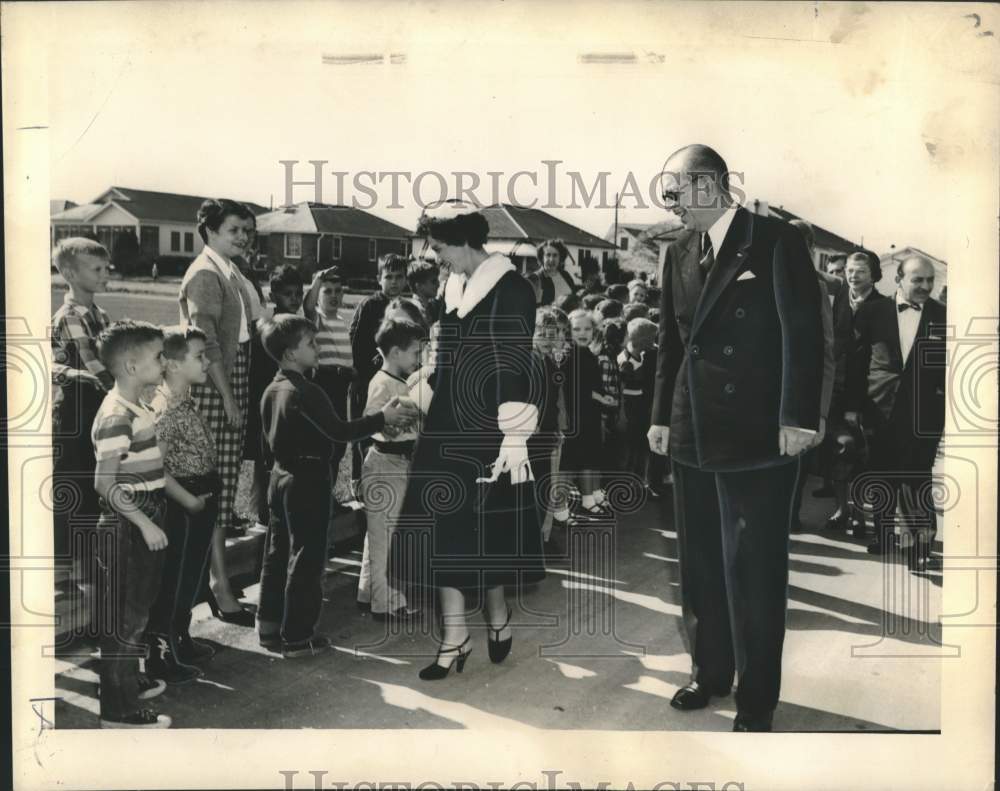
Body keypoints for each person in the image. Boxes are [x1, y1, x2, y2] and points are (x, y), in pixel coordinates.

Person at [648, 144, 823, 732]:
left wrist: (797, 419)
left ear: (708, 185)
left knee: (753, 570)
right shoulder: (677, 252)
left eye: (676, 192)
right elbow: (673, 344)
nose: (671, 205)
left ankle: (756, 700)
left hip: (757, 436)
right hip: (693, 431)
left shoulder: (774, 240)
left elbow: (805, 334)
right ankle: (710, 673)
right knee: (699, 564)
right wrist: (659, 417)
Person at [390, 201, 546, 681]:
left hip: (493, 428)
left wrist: (514, 435)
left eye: (439, 248)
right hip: (447, 424)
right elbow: (443, 355)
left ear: (463, 241)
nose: (437, 259)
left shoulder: (513, 288)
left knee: (486, 534)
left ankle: (497, 615)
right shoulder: (451, 285)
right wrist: (418, 392)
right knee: (445, 530)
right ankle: (454, 637)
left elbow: (514, 363)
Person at [256, 315, 418, 657]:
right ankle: (298, 635)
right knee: (307, 559)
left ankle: (268, 626)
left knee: (277, 553)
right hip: (308, 481)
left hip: (279, 478)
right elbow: (340, 431)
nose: (318, 349)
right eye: (310, 344)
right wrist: (382, 419)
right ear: (288, 353)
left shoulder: (271, 389)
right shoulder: (306, 391)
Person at [91, 321, 201, 727]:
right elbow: (104, 483)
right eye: (158, 357)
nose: (164, 362)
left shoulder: (135, 404)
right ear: (132, 366)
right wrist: (144, 524)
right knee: (125, 619)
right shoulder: (116, 415)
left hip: (144, 513)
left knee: (136, 611)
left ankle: (126, 683)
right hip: (128, 521)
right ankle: (118, 711)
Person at [178, 198, 258, 626]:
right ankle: (218, 588)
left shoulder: (230, 271)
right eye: (234, 230)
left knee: (221, 493)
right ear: (209, 231)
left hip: (232, 381)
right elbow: (206, 345)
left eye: (247, 230)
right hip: (214, 388)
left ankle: (214, 583)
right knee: (213, 492)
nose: (243, 237)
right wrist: (228, 398)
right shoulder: (206, 274)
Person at [846, 255, 946, 572]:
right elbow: (856, 363)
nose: (926, 286)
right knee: (882, 472)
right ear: (899, 280)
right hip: (879, 407)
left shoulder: (943, 316)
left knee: (917, 478)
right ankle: (886, 535)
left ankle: (920, 546)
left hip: (924, 412)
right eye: (918, 280)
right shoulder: (873, 311)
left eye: (930, 280)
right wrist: (851, 408)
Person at [145, 327, 219, 683]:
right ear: (173, 365)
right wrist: (189, 501)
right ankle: (161, 655)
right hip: (182, 502)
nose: (207, 362)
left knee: (191, 574)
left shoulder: (184, 398)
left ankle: (180, 637)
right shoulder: (166, 407)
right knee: (173, 579)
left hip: (200, 497)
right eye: (199, 356)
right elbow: (155, 467)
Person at [50, 239, 114, 607]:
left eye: (106, 269)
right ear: (71, 274)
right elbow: (93, 362)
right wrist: (120, 383)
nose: (105, 275)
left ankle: (84, 568)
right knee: (69, 486)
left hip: (97, 406)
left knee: (92, 487)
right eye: (97, 269)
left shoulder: (100, 314)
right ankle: (61, 573)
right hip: (75, 409)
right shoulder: (71, 315)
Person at [356, 319, 427, 620]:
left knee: (380, 533)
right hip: (385, 463)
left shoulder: (406, 383)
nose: (419, 359)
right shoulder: (382, 383)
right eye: (415, 352)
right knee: (385, 536)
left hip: (401, 464)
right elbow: (372, 422)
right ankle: (385, 602)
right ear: (396, 352)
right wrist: (397, 423)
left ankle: (368, 591)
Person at [786, 219, 846, 532]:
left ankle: (789, 517)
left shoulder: (817, 287)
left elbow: (825, 352)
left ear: (808, 249)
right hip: (757, 395)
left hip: (797, 397)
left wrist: (819, 412)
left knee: (794, 464)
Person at [246, 265, 304, 528]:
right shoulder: (267, 326)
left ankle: (280, 507)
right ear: (273, 296)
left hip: (288, 400)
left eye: (298, 293)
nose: (294, 299)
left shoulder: (297, 326)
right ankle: (263, 511)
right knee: (264, 457)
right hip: (266, 397)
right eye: (287, 294)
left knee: (286, 453)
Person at [346, 254, 408, 494]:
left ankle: (383, 481)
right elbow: (355, 340)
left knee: (386, 432)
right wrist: (361, 372)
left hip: (393, 381)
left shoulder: (404, 308)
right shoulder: (370, 305)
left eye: (399, 277)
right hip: (365, 379)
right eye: (388, 277)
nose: (393, 282)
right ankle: (358, 482)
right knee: (362, 431)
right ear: (378, 279)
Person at [304, 267, 356, 505]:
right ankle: (317, 496)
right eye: (328, 292)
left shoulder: (342, 321)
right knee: (323, 444)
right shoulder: (317, 319)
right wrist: (317, 281)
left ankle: (328, 495)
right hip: (324, 384)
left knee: (339, 444)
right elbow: (307, 306)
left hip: (341, 387)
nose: (333, 296)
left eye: (338, 291)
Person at [562, 309, 616, 520]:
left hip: (590, 414)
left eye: (587, 328)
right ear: (569, 331)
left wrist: (604, 396)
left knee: (590, 457)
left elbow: (594, 383)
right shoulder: (569, 354)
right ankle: (561, 508)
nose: (582, 333)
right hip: (576, 415)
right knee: (571, 461)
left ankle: (588, 500)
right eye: (577, 329)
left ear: (594, 330)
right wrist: (601, 398)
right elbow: (577, 388)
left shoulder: (587, 353)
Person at [527, 307, 571, 556]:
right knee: (534, 491)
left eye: (552, 334)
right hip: (530, 437)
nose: (547, 339)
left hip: (544, 435)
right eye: (541, 334)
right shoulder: (529, 359)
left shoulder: (546, 360)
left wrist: (554, 428)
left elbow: (552, 399)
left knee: (543, 489)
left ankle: (538, 542)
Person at [619, 317, 663, 498]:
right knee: (633, 446)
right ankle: (630, 480)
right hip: (632, 409)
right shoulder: (626, 360)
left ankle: (643, 480)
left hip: (645, 406)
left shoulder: (648, 354)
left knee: (642, 445)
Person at [535, 239, 579, 306]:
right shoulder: (536, 279)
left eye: (555, 255)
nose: (551, 259)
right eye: (548, 255)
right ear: (542, 258)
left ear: (560, 258)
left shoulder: (566, 276)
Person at [407, 258, 443, 326]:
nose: (438, 284)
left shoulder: (431, 307)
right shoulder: (413, 310)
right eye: (433, 282)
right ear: (419, 286)